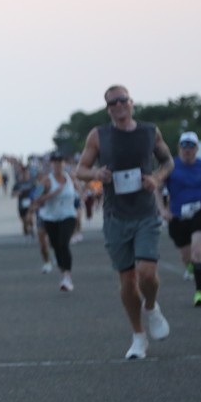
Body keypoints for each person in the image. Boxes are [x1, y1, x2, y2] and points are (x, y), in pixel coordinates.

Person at [76, 85, 174, 360]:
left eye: (122, 100)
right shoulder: (99, 135)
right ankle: (138, 336)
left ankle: (151, 307)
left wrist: (156, 178)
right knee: (127, 280)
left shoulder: (149, 131)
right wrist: (96, 174)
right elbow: (80, 170)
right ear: (108, 109)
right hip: (115, 216)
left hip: (145, 213)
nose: (118, 105)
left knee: (146, 272)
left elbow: (168, 162)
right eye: (112, 102)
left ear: (131, 102)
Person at [160, 131, 201, 307]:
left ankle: (199, 292)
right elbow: (157, 189)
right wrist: (162, 210)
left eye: (191, 146)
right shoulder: (170, 166)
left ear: (196, 149)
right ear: (179, 148)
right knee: (186, 256)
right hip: (177, 216)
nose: (187, 149)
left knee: (198, 251)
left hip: (199, 211)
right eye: (184, 146)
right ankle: (190, 266)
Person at [34, 152, 78, 291]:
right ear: (51, 164)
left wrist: (82, 195)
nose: (58, 164)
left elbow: (78, 188)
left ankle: (67, 276)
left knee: (63, 243)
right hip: (51, 218)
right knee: (56, 246)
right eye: (55, 162)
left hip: (68, 215)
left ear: (64, 163)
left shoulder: (70, 177)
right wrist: (52, 194)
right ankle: (63, 271)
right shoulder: (46, 180)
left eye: (60, 162)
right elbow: (35, 197)